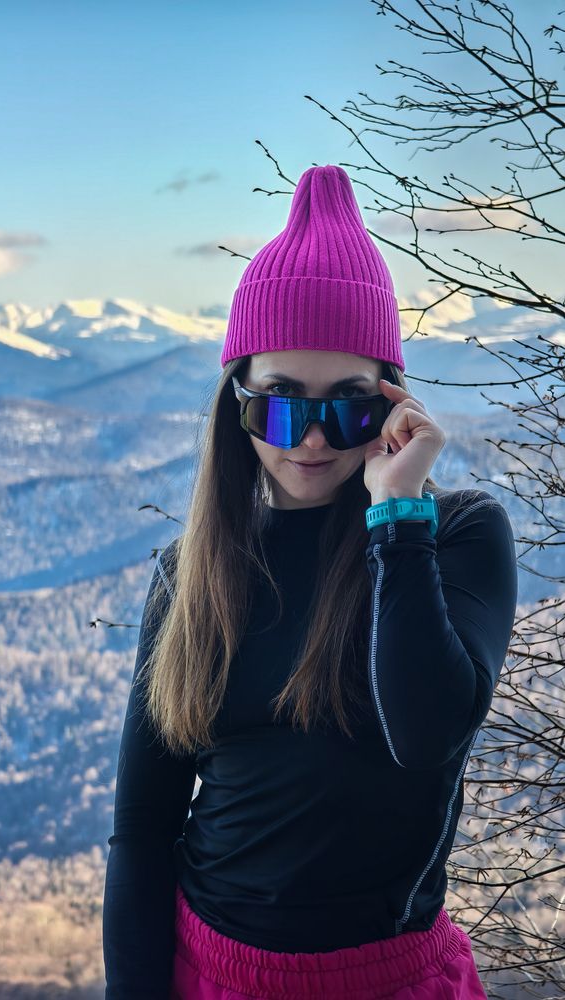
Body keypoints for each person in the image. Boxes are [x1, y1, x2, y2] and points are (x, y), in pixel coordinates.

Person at [101, 165, 518, 999]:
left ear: (393, 405)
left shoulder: (456, 538)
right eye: (283, 403)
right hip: (207, 972)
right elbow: (143, 829)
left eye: (350, 405)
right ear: (238, 405)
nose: (315, 439)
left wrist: (398, 518)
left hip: (392, 980)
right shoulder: (193, 575)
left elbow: (426, 735)